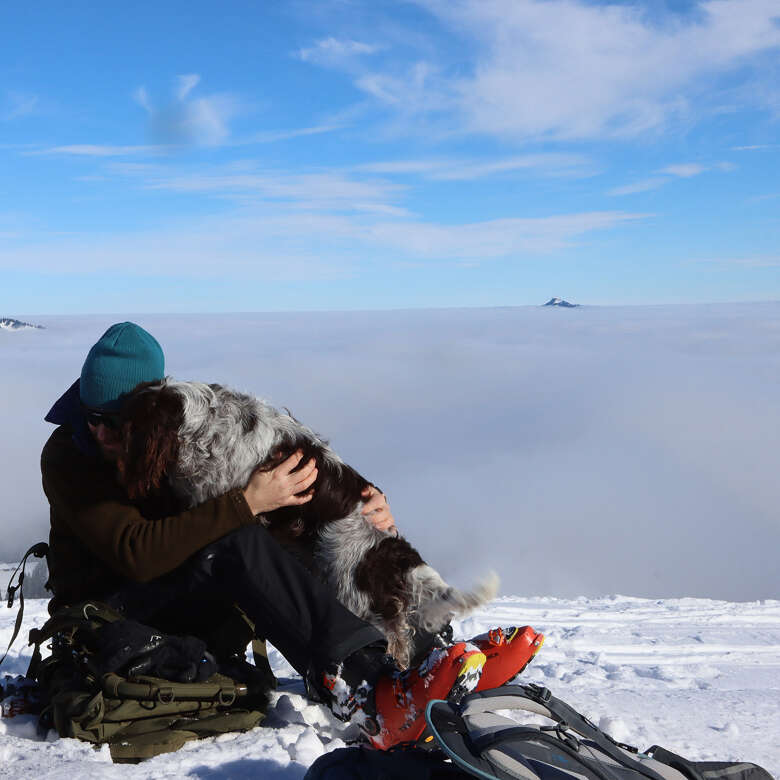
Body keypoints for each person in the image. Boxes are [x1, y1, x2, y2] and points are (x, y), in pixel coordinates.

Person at [41, 322, 539, 749]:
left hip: (180, 600)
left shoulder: (165, 437)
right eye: (93, 418)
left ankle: (432, 654)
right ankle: (369, 688)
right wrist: (247, 503)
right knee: (233, 535)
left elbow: (275, 474)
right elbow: (138, 555)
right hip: (109, 618)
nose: (103, 434)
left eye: (118, 423)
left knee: (299, 530)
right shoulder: (68, 457)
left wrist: (362, 501)